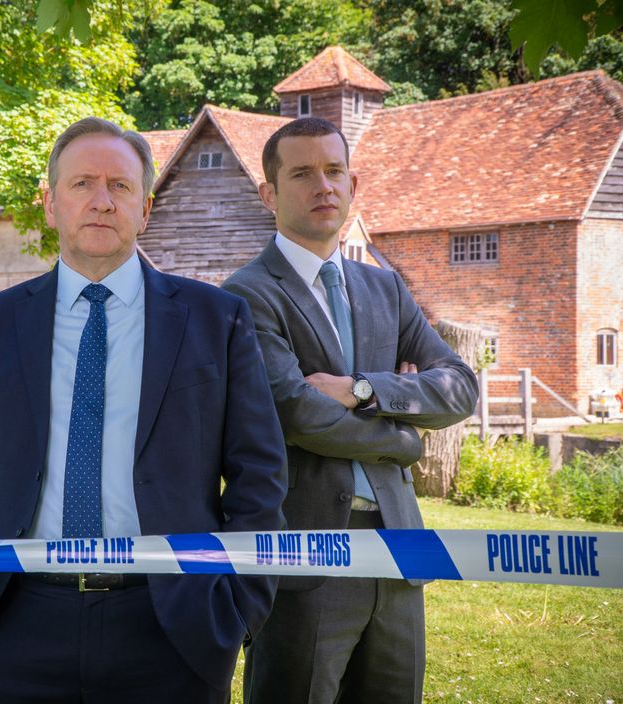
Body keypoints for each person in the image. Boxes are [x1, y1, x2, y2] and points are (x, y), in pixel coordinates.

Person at [0, 117, 287, 704]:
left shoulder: (216, 320)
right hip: (8, 623)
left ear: (145, 208)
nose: (100, 200)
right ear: (48, 204)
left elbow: (258, 475)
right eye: (82, 183)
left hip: (173, 625)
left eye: (119, 186)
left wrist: (236, 609)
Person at [222, 117, 479, 704]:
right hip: (306, 558)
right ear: (270, 193)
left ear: (353, 183)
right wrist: (406, 441)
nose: (323, 187)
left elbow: (460, 385)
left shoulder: (384, 287)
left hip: (398, 551)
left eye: (334, 171)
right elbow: (296, 412)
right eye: (303, 173)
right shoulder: (247, 294)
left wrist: (363, 389)